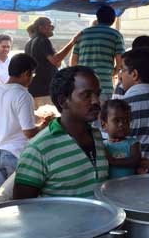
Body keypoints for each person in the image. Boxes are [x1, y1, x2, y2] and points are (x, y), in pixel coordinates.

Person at [13, 66, 109, 199]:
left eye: (97, 94)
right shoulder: (38, 149)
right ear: (63, 101)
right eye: (86, 95)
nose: (96, 101)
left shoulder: (97, 136)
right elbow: (23, 206)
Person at [0, 53, 53, 187]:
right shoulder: (22, 95)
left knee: (2, 198)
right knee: (18, 199)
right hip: (15, 154)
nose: (32, 78)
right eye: (32, 74)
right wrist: (44, 125)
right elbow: (29, 132)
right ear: (26, 73)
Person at [71, 5, 124, 102]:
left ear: (97, 17)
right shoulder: (115, 35)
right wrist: (114, 72)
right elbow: (120, 61)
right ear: (113, 19)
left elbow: (73, 62)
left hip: (83, 87)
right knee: (103, 116)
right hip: (104, 87)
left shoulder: (83, 34)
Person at [24, 17, 80, 108]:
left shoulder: (29, 43)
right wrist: (72, 42)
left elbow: (55, 62)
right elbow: (56, 60)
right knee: (47, 119)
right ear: (41, 27)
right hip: (44, 91)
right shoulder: (43, 40)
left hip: (34, 90)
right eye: (49, 25)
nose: (52, 28)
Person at [100, 99, 142, 179]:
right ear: (104, 125)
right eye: (116, 120)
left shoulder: (133, 143)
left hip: (129, 187)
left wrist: (113, 161)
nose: (121, 124)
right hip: (110, 188)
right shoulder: (103, 145)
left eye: (126, 121)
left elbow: (135, 161)